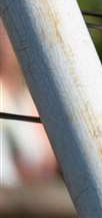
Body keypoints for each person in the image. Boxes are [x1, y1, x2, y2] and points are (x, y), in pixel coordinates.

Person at [0, 23, 55, 188]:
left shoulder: (32, 98)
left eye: (6, 36)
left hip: (35, 196)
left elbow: (50, 159)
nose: (4, 46)